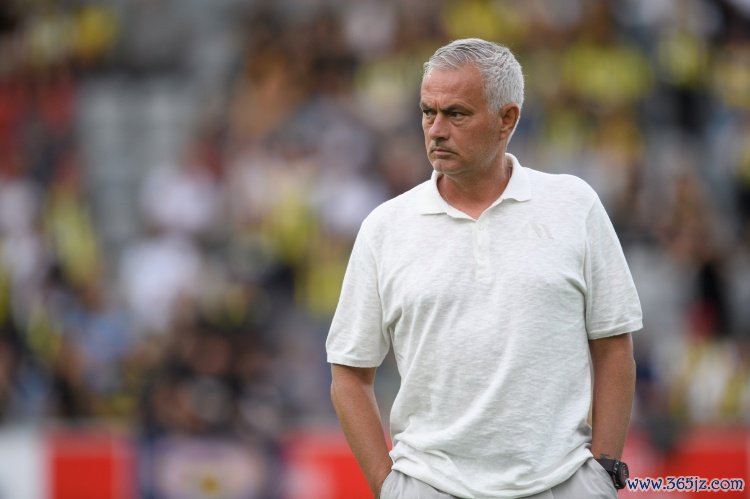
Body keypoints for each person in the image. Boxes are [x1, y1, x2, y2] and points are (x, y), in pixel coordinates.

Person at [326, 38, 642, 499]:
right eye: (428, 112)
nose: (436, 130)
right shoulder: (385, 227)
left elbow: (614, 347)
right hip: (429, 485)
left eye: (456, 114)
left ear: (507, 119)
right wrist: (389, 486)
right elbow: (349, 374)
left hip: (562, 482)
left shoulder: (574, 206)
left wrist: (604, 472)